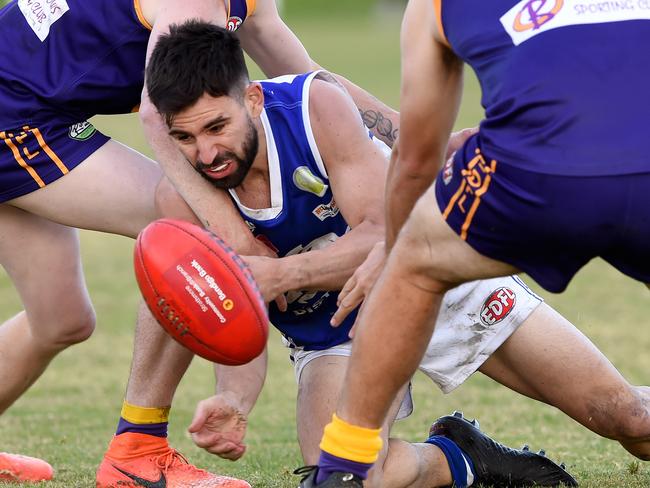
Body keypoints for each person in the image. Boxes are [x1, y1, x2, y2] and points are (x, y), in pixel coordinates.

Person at [144, 21, 649, 488]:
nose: (206, 154)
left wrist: (279, 273)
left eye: (216, 128)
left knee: (627, 418)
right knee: (344, 479)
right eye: (184, 138)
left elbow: (380, 234)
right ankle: (462, 459)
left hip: (435, 282)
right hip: (332, 336)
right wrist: (234, 400)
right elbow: (236, 314)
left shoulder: (314, 107)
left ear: (252, 99)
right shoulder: (180, 201)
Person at [0, 0, 400, 485]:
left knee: (61, 320)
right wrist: (234, 238)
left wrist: (418, 141)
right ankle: (137, 448)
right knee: (184, 226)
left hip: (32, 111)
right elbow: (156, 111)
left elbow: (302, 73)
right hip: (16, 117)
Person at [306, 0, 650, 486]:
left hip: (529, 174)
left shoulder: (434, 7)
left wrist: (390, 248)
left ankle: (343, 466)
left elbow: (415, 160)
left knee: (412, 264)